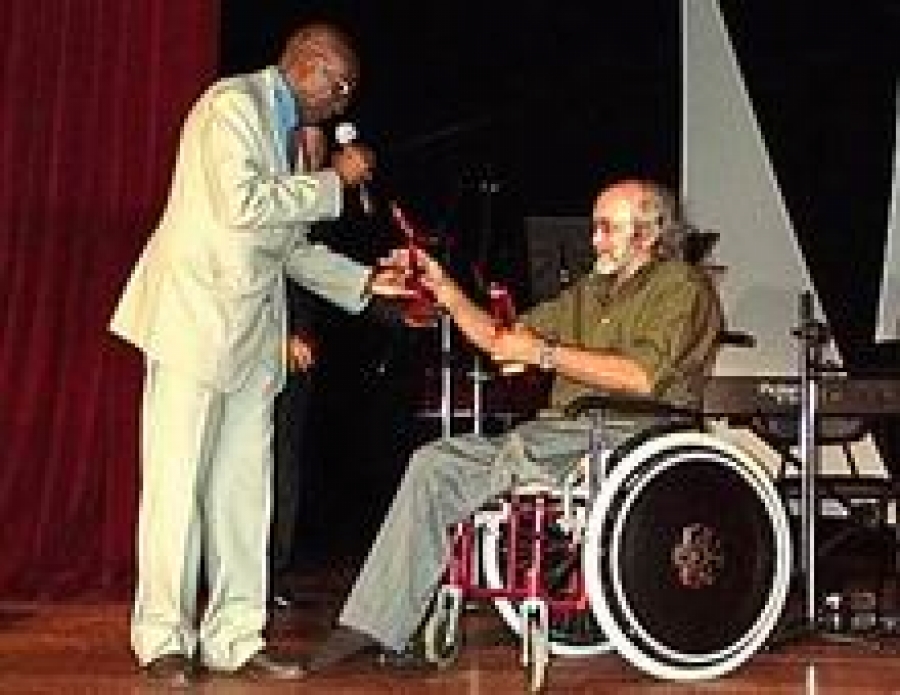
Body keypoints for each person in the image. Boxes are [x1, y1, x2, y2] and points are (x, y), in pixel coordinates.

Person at [305, 178, 725, 672]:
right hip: (563, 431)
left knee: (517, 452)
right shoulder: (590, 293)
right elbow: (501, 339)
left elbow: (642, 376)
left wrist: (544, 353)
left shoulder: (682, 287)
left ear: (648, 234)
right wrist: (445, 289)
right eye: (595, 228)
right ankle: (375, 621)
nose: (594, 240)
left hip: (631, 430)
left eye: (606, 229)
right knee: (434, 463)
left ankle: (422, 606)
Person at [109, 21, 411, 686]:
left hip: (251, 333)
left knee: (245, 494)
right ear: (308, 63)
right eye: (340, 86)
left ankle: (234, 638)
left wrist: (367, 283)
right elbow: (244, 205)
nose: (343, 102)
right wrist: (333, 180)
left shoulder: (290, 136)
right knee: (177, 487)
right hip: (194, 322)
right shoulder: (231, 105)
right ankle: (162, 638)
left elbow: (289, 246)